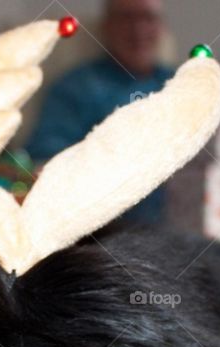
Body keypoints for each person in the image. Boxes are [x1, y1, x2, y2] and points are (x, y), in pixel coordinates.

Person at [26, 0, 174, 224]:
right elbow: (45, 162)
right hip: (110, 231)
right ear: (106, 26)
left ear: (161, 27)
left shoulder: (180, 82)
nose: (138, 30)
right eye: (126, 18)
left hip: (185, 227)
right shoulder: (76, 87)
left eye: (148, 18)